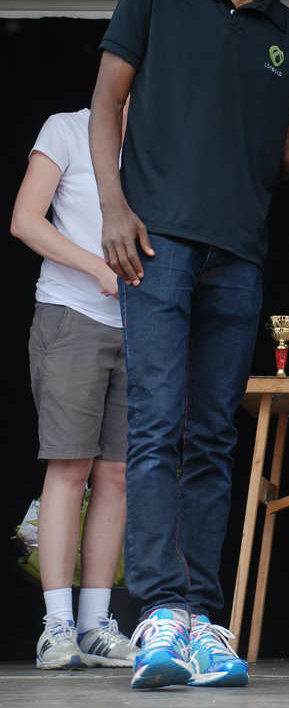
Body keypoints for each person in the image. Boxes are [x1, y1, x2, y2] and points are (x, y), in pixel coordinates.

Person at [88, 0, 289, 690]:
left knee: (212, 438)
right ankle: (160, 610)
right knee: (156, 426)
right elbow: (105, 103)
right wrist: (114, 208)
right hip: (156, 243)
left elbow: (282, 155)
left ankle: (199, 617)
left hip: (239, 253)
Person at [11, 106, 136, 670]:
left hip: (139, 324)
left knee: (118, 473)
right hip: (71, 313)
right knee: (70, 465)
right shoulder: (65, 128)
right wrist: (97, 267)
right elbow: (25, 220)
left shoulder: (164, 142)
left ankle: (95, 624)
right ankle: (57, 626)